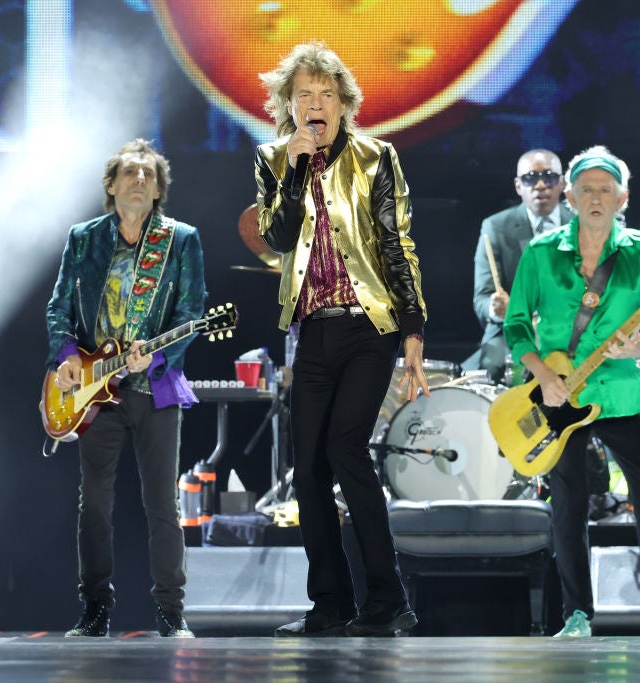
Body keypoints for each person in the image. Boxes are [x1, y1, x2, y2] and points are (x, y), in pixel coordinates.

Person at [255, 42, 429, 638]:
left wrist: (412, 330)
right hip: (313, 333)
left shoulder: (377, 157)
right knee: (307, 469)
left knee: (346, 449)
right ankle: (329, 604)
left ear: (345, 104)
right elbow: (277, 235)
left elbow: (396, 244)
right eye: (304, 95)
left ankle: (387, 598)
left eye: (326, 94)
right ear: (289, 107)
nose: (316, 104)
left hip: (366, 328)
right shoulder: (274, 159)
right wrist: (295, 166)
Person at [503, 145, 640, 638]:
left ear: (623, 198)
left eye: (606, 189)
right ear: (569, 197)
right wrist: (543, 376)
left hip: (618, 394)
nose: (596, 197)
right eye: (587, 189)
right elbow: (515, 327)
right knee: (568, 506)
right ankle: (576, 615)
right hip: (558, 399)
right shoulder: (539, 253)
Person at [45, 139, 206, 638]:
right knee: (93, 503)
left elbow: (192, 314)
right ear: (111, 186)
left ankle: (170, 613)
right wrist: (69, 357)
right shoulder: (84, 239)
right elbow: (59, 310)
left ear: (158, 191)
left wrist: (156, 354)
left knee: (162, 504)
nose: (140, 178)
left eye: (149, 174)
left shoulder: (181, 240)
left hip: (154, 389)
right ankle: (94, 610)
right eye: (130, 172)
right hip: (94, 394)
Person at [465, 149, 573, 381]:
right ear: (518, 186)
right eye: (531, 178)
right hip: (513, 331)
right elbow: (482, 298)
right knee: (490, 364)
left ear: (562, 183)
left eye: (550, 177)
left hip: (571, 330)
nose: (541, 185)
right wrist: (495, 310)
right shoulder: (495, 227)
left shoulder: (580, 224)